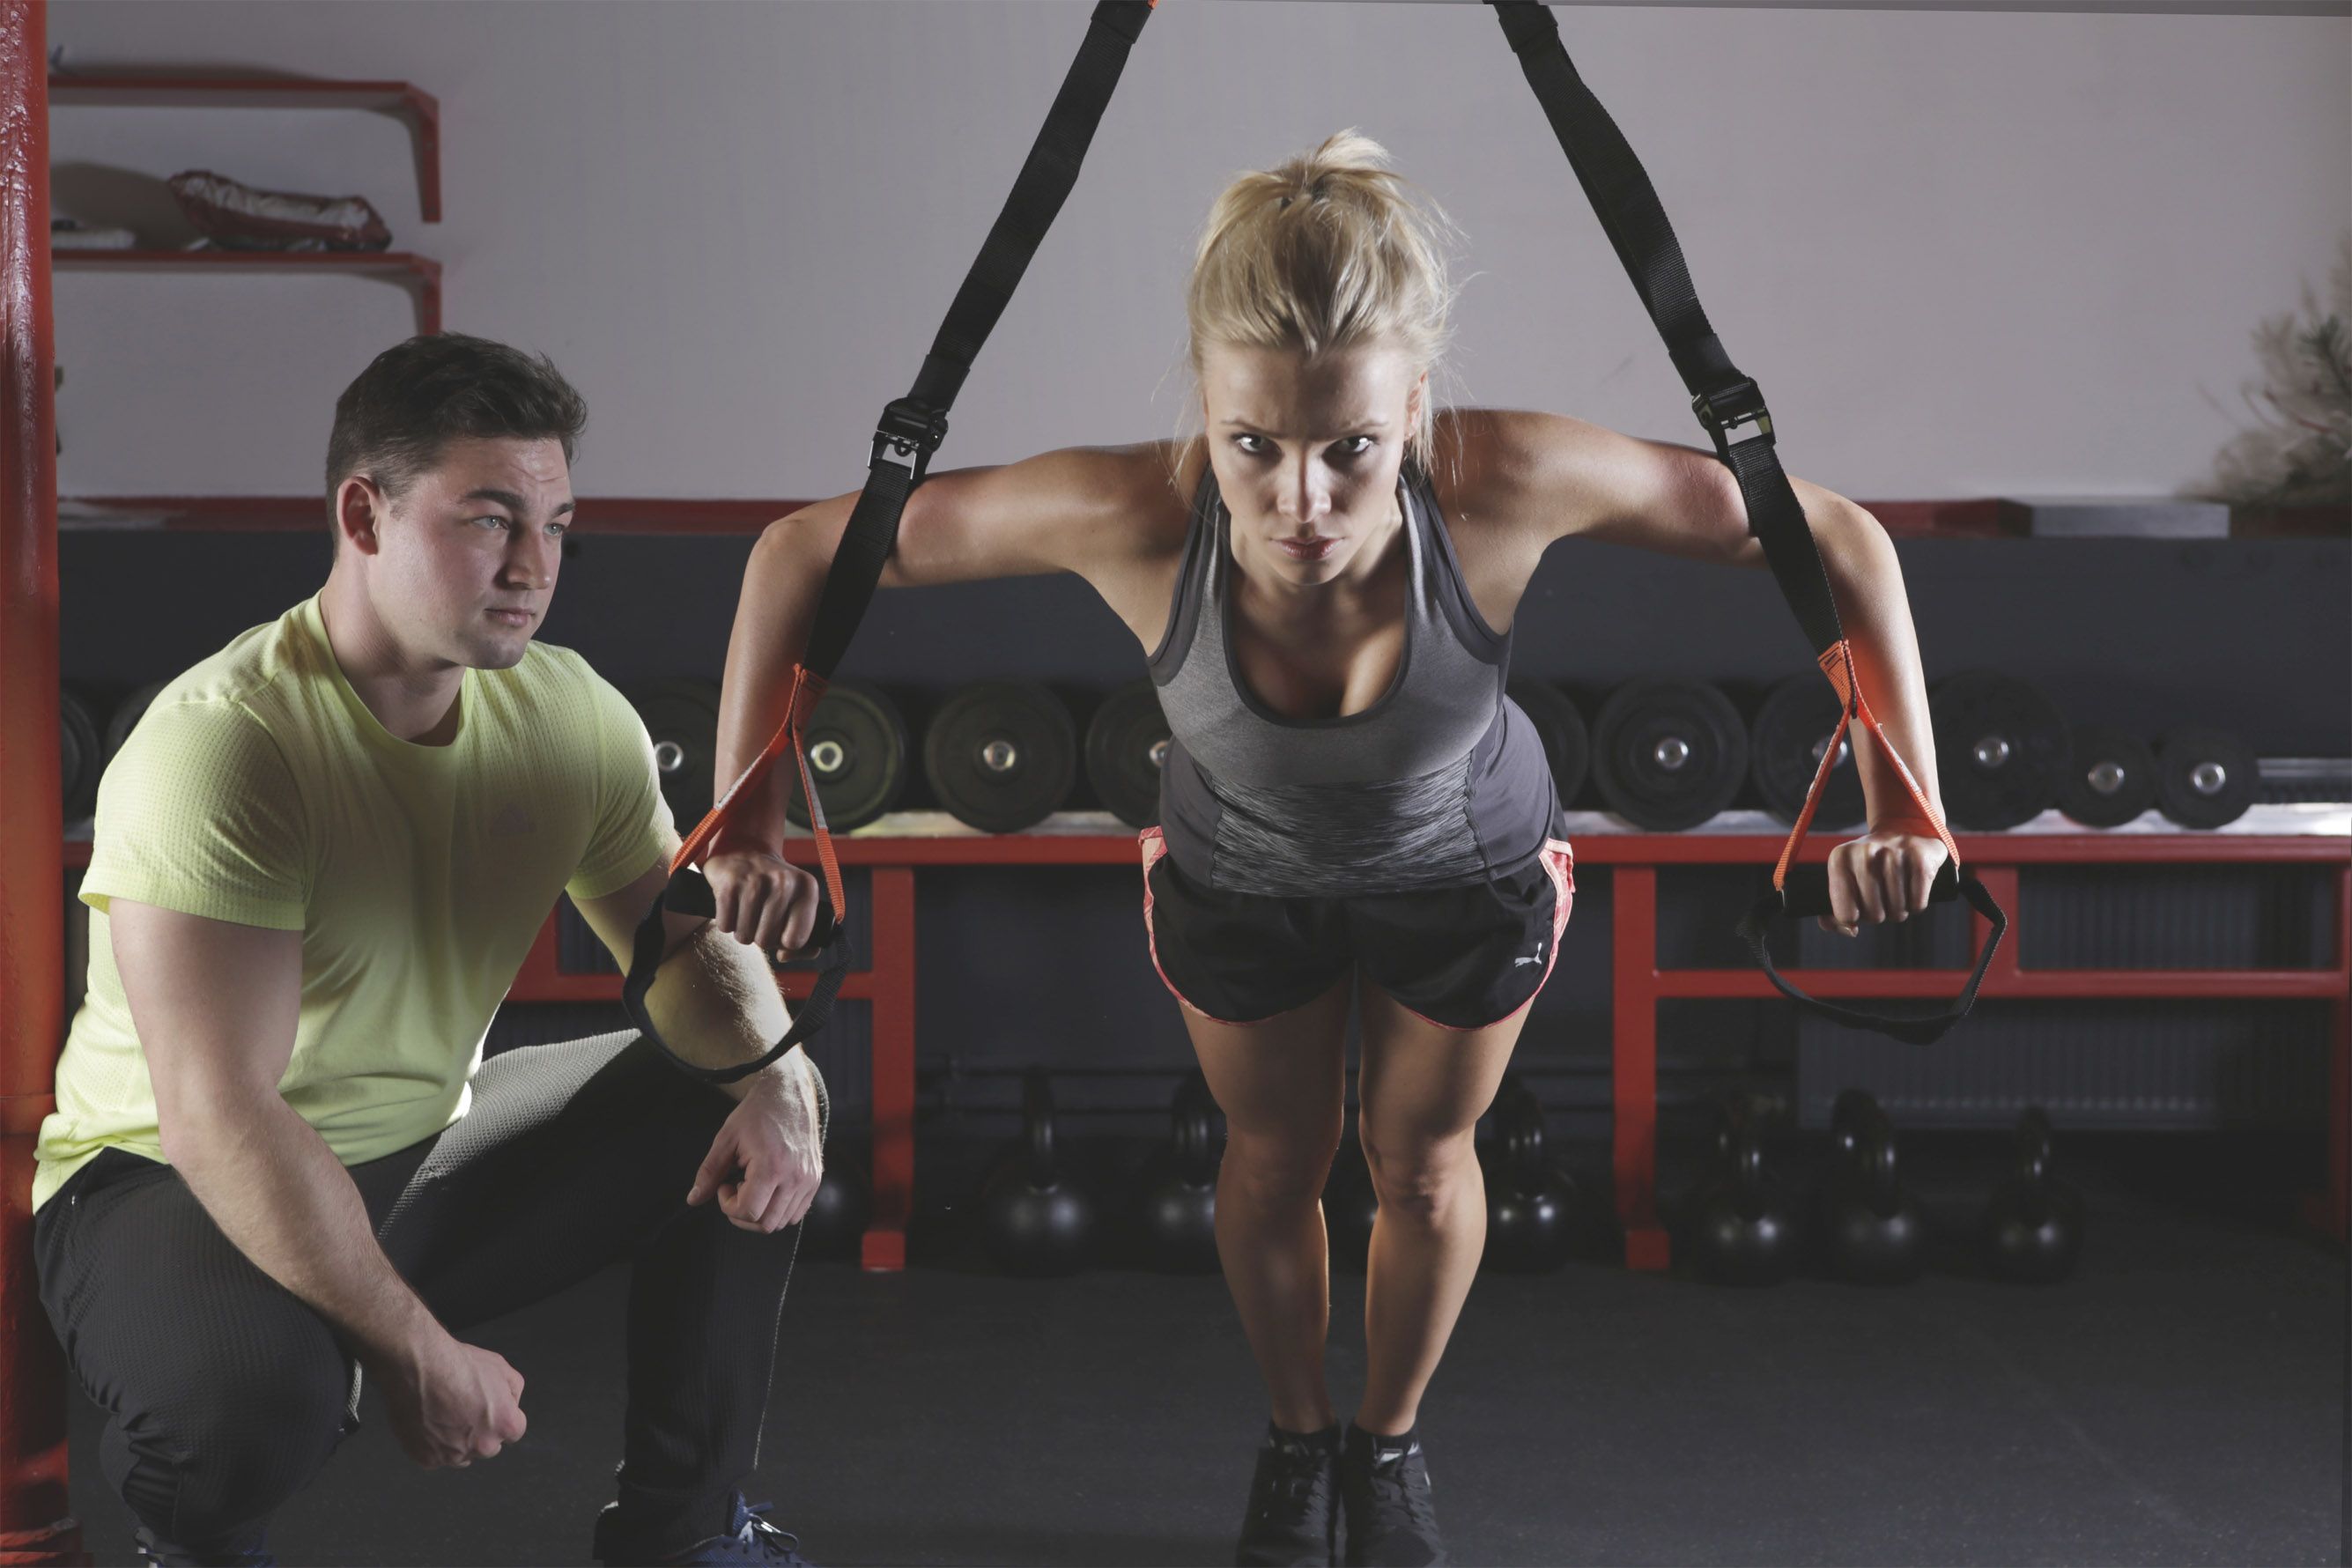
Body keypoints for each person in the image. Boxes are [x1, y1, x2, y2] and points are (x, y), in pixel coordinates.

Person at [704, 130, 1950, 1568]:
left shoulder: (1503, 478)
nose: (1301, 501)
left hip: (1469, 871)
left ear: (1413, 408)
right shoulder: (1130, 510)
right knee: (1271, 1158)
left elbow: (1836, 539)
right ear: (1208, 412)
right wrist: (748, 811)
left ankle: (1391, 1441)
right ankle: (1299, 1441)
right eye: (1255, 446)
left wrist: (1903, 800)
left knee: (1420, 1165)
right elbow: (802, 550)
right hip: (1243, 877)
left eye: (1351, 447)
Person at [33, 334, 827, 1568]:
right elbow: (217, 1113)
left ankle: (688, 1534)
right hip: (161, 1176)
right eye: (489, 520)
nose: (533, 566)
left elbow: (684, 952)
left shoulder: (568, 715)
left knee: (749, 1078)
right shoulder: (227, 745)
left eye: (558, 525)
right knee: (254, 1412)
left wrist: (772, 1081)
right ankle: (193, 1540)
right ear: (363, 512)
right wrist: (413, 1350)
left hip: (417, 1150)